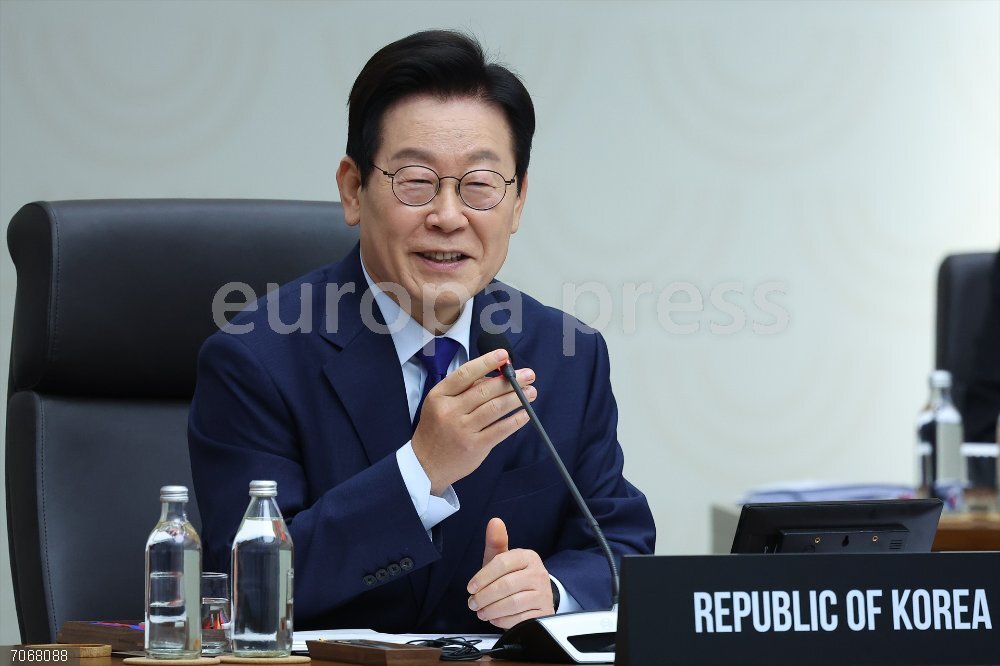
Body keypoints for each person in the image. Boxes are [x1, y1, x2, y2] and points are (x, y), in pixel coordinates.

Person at [188, 29, 655, 634]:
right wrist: (423, 469)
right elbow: (252, 587)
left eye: (481, 186)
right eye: (415, 180)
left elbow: (620, 544)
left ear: (517, 204)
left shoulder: (568, 355)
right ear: (354, 189)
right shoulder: (255, 359)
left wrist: (555, 590)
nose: (448, 216)